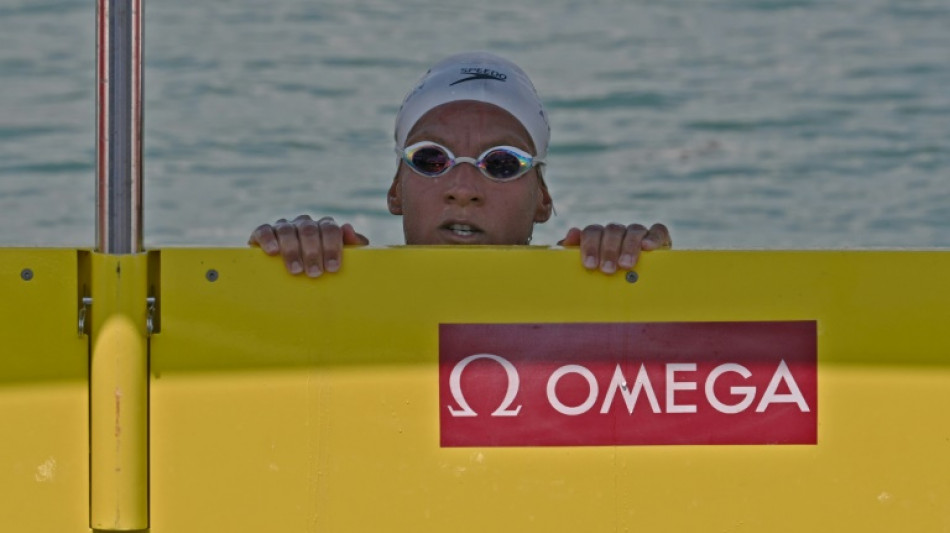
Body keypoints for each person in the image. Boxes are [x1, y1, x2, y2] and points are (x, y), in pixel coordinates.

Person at [249, 51, 670, 277]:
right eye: (431, 159)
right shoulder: (333, 291)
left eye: (502, 164)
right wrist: (276, 271)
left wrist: (653, 281)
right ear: (396, 189)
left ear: (543, 200)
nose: (463, 188)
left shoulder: (594, 304)